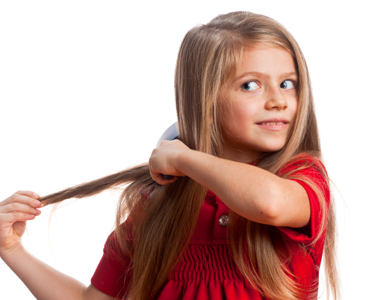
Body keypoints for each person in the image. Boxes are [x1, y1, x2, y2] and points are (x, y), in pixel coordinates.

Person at [0, 11, 340, 300]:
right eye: (250, 85)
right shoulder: (160, 205)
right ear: (204, 100)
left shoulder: (301, 178)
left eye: (288, 83)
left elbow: (270, 203)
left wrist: (183, 159)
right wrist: (10, 249)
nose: (278, 100)